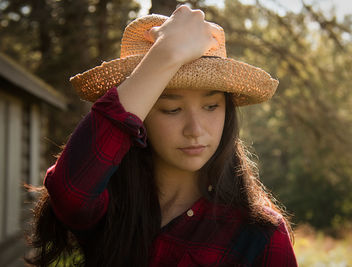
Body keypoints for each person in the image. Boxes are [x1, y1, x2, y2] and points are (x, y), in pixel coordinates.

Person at [26, 5, 298, 267]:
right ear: (140, 116)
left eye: (211, 106)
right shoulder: (114, 205)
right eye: (172, 109)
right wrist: (164, 55)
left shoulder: (260, 234)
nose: (195, 129)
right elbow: (69, 191)